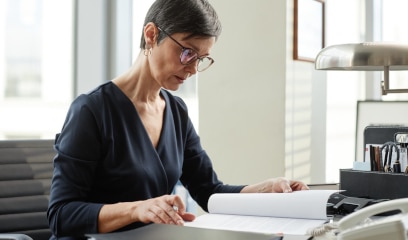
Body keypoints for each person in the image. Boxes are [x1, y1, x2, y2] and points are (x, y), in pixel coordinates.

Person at [47, 0, 309, 239]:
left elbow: (209, 192)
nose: (194, 69)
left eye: (201, 59)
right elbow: (61, 215)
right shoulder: (91, 110)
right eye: (187, 52)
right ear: (151, 35)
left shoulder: (176, 112)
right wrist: (137, 209)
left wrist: (265, 190)